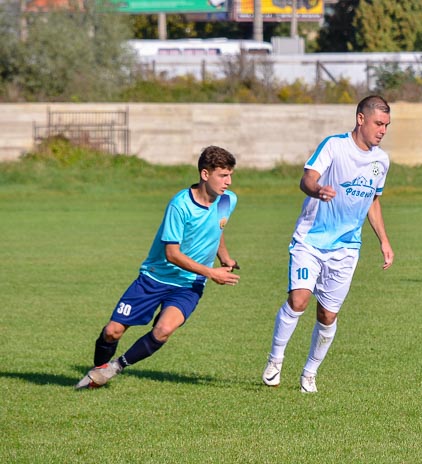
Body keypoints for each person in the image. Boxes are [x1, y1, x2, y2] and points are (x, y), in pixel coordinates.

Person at [75, 145, 241, 389]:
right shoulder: (180, 205)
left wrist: (224, 258)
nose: (228, 182)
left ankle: (114, 367)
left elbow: (218, 228)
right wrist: (211, 272)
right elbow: (172, 254)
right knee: (112, 332)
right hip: (155, 278)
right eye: (222, 175)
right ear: (205, 174)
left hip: (188, 284)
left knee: (164, 329)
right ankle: (98, 370)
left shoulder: (228, 200)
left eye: (230, 175)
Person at [261, 95, 395, 393]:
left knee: (328, 315)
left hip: (347, 248)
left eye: (386, 125)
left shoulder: (380, 161)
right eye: (378, 123)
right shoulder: (334, 146)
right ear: (360, 119)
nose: (383, 130)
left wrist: (384, 240)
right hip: (310, 241)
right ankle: (275, 360)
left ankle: (309, 373)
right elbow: (306, 179)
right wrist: (317, 189)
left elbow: (373, 200)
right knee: (299, 300)